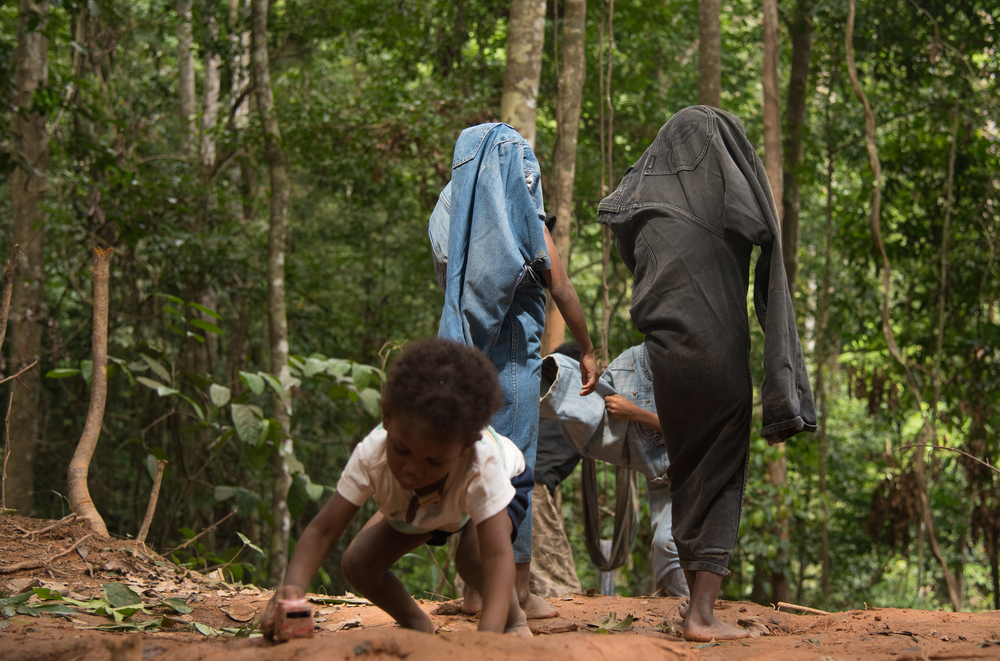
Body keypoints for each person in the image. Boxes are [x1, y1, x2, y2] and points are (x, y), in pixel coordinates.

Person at [597, 106, 817, 641]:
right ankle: (701, 615)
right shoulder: (726, 198)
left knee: (688, 470)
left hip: (665, 356)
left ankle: (691, 605)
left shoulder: (644, 210)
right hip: (717, 355)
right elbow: (764, 230)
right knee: (721, 474)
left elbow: (629, 252)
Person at [429, 122, 598, 618]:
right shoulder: (520, 217)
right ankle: (514, 592)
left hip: (465, 362)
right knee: (512, 467)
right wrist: (585, 348)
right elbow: (561, 286)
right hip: (509, 365)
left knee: (472, 464)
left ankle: (474, 591)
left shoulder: (448, 214)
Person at [260, 339, 533, 638]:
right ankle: (417, 625)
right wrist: (293, 590)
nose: (413, 469)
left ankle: (513, 620)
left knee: (473, 560)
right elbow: (322, 531)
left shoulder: (483, 464)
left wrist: (487, 641)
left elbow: (497, 556)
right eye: (401, 450)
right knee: (359, 564)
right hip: (426, 501)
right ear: (386, 417)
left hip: (504, 481)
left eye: (433, 460)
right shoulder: (372, 455)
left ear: (466, 447)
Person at [535, 343, 689, 599]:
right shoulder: (576, 416)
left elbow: (689, 429)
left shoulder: (555, 414)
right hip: (529, 489)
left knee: (667, 544)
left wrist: (635, 414)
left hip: (507, 487)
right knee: (562, 592)